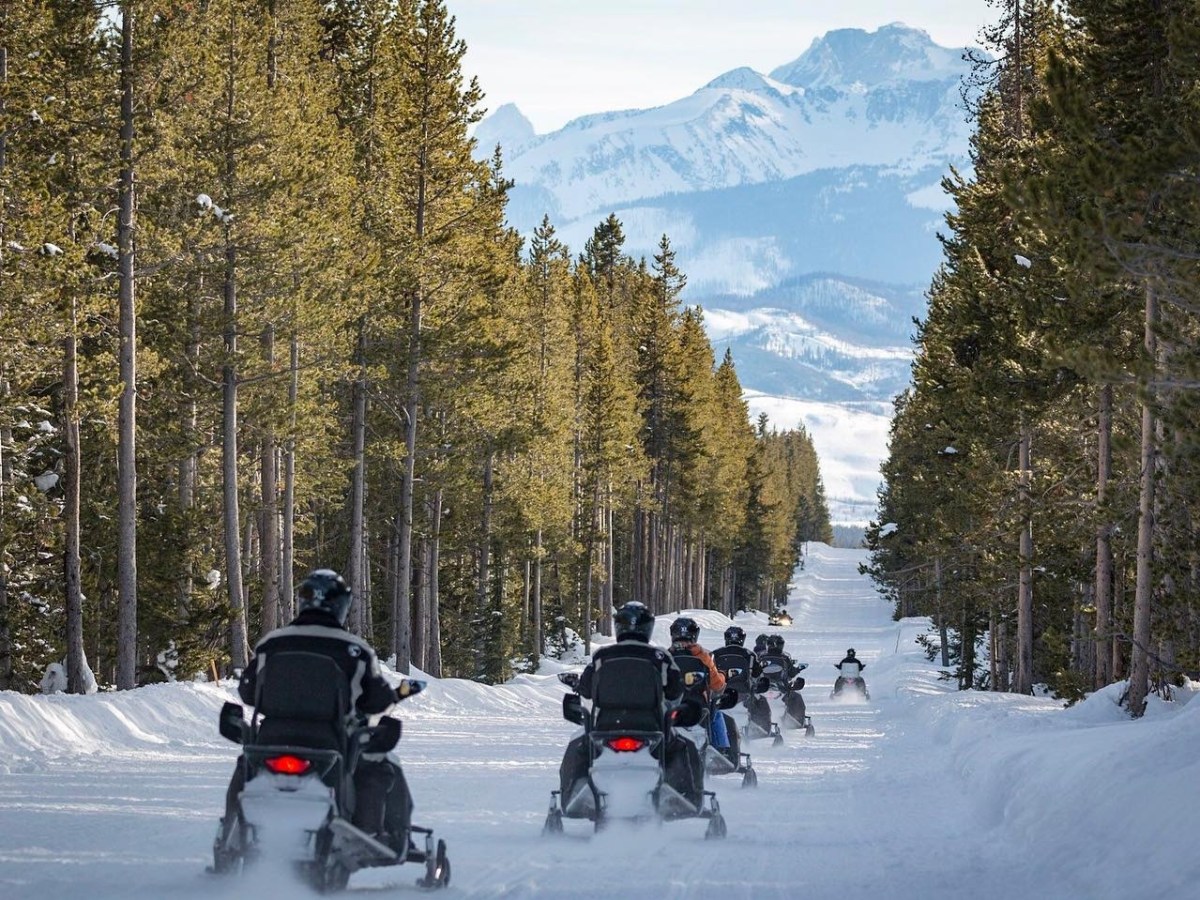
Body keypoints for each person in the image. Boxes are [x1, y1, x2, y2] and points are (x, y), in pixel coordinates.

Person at [220, 569, 422, 853]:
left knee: (246, 765)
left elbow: (248, 692)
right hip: (332, 743)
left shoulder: (272, 643)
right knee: (382, 765)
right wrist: (393, 696)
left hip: (273, 740)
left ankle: (228, 840)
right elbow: (375, 702)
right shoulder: (355, 650)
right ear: (341, 605)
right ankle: (377, 837)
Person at [560, 601, 704, 809]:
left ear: (619, 626)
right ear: (648, 627)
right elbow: (675, 690)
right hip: (652, 728)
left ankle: (571, 798)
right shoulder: (660, 658)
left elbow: (585, 688)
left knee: (578, 746)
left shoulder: (602, 657)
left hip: (605, 728)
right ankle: (686, 797)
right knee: (685, 746)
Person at [668, 617, 730, 751]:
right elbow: (717, 684)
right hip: (698, 707)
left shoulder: (666, 657)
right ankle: (722, 749)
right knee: (716, 713)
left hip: (672, 707)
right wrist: (723, 676)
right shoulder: (703, 657)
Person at [713, 625, 771, 737]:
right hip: (742, 693)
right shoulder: (749, 655)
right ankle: (762, 730)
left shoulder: (716, 654)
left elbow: (709, 671)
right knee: (761, 701)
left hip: (721, 694)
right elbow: (757, 673)